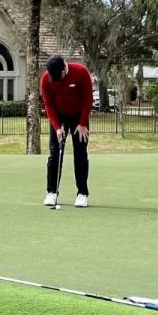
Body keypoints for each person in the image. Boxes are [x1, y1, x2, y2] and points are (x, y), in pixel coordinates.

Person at [40, 54, 93, 208]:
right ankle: (52, 192)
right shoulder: (45, 79)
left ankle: (82, 193)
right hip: (59, 116)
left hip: (79, 118)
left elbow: (88, 99)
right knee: (55, 154)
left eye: (58, 75)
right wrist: (57, 128)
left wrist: (83, 123)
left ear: (64, 68)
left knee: (81, 153)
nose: (55, 78)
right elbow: (48, 104)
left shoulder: (81, 72)